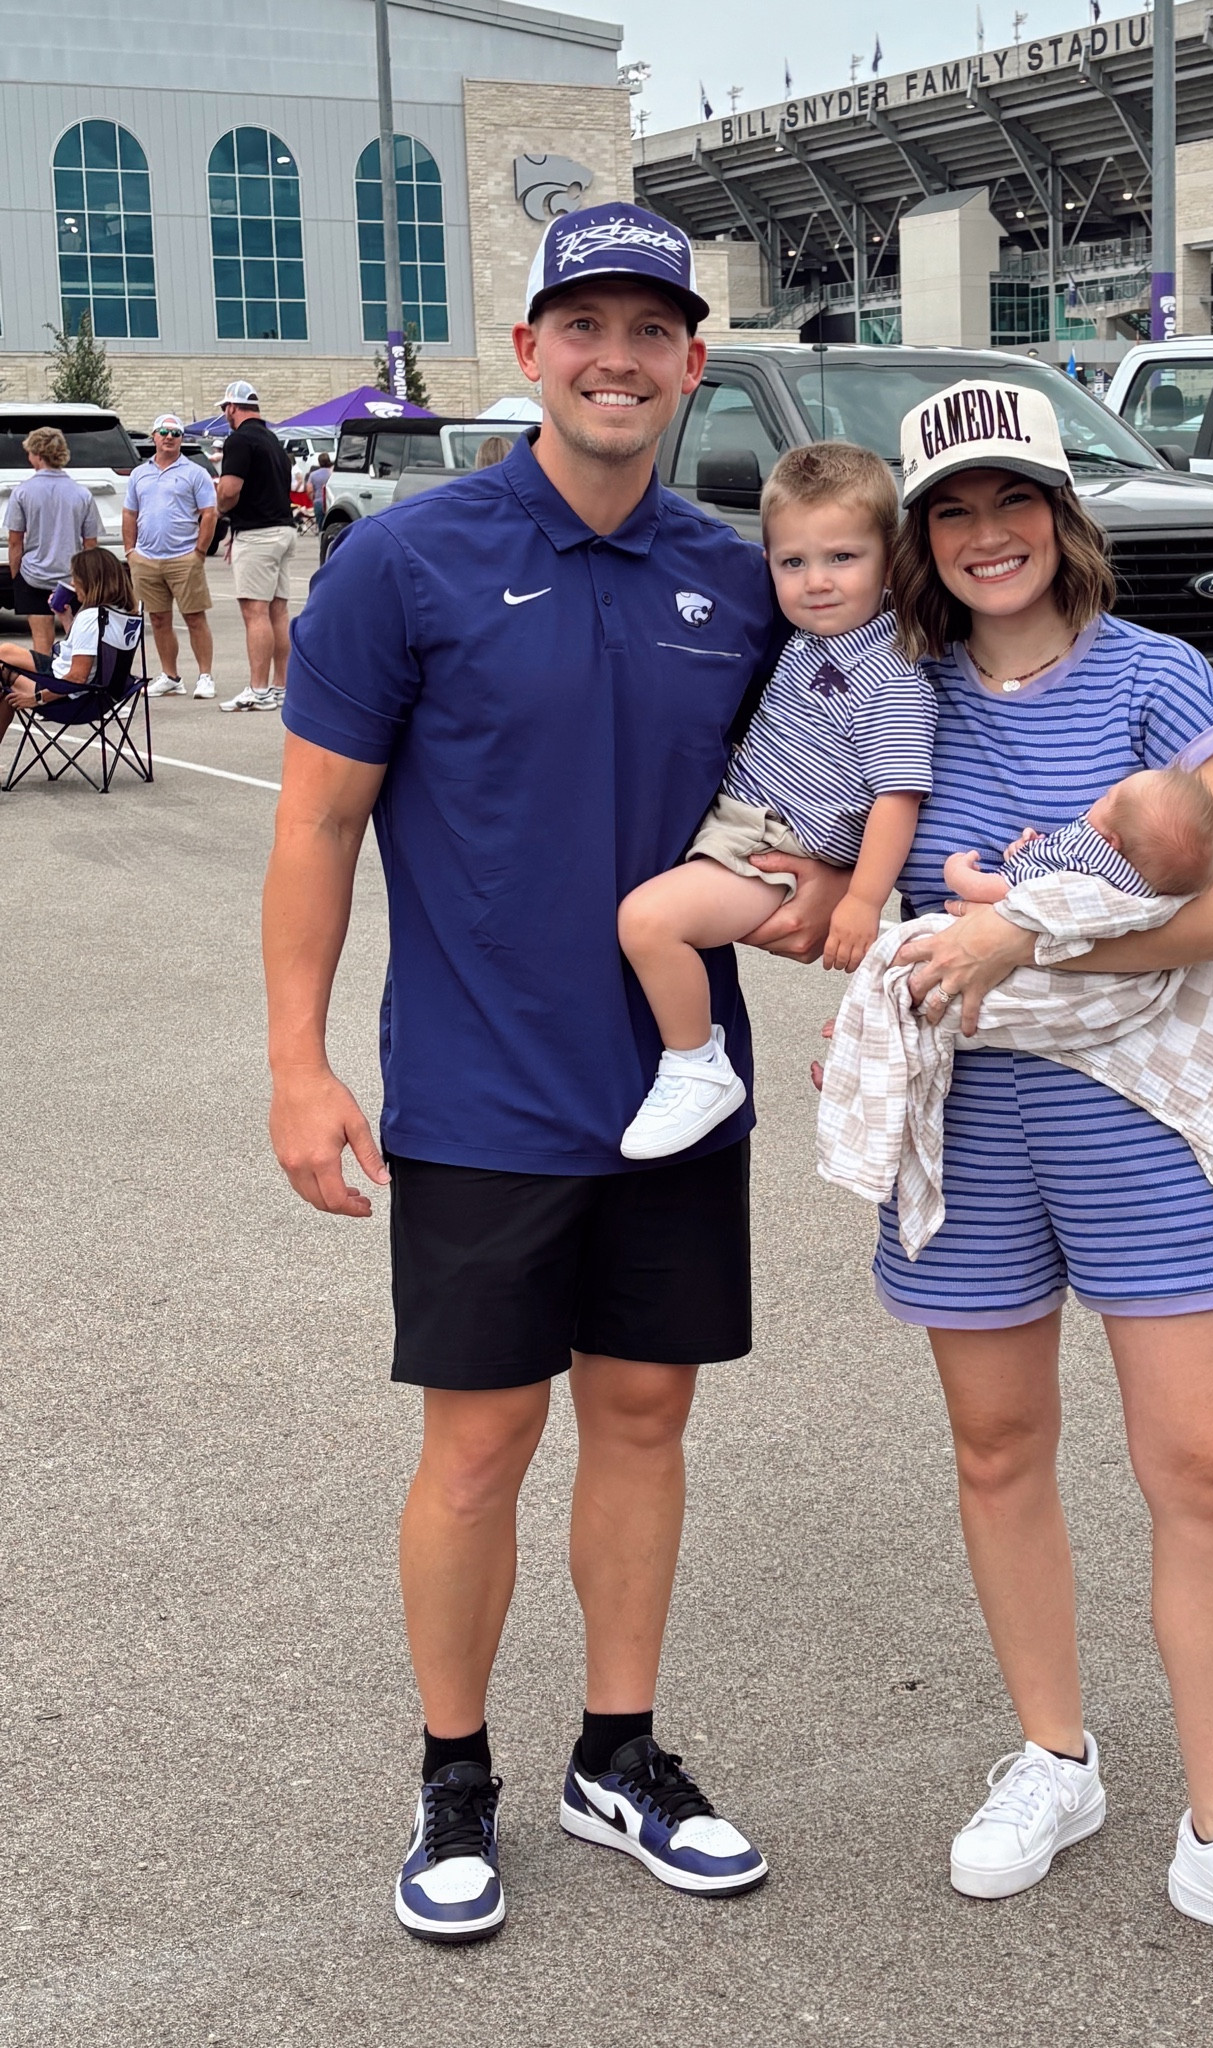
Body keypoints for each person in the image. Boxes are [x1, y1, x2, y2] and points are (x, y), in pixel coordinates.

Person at [263, 200, 850, 1946]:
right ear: (527, 351)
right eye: (581, 326)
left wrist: (827, 893)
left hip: (675, 1088)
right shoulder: (409, 561)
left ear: (691, 362)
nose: (616, 357)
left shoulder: (736, 577)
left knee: (647, 1416)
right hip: (476, 1092)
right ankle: (457, 1774)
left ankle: (619, 1747)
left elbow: (814, 798)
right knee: (480, 1442)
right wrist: (296, 1060)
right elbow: (313, 826)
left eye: (650, 330)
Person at [872, 378, 1213, 1982]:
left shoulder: (1156, 676)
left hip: (1142, 1117)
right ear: (919, 537)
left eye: (1010, 500)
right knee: (998, 1444)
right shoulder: (897, 693)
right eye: (951, 510)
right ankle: (1054, 1758)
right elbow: (820, 864)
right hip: (970, 1116)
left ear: (1063, 514)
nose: (986, 534)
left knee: (1203, 1467)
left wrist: (1019, 930)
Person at [616, 440, 934, 1160]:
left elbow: (898, 797)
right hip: (746, 830)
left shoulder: (892, 677)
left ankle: (696, 1066)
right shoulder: (808, 641)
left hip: (776, 852)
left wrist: (860, 901)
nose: (816, 581)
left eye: (841, 558)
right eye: (793, 562)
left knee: (646, 923)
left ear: (891, 555)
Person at [943, 762, 1213, 906]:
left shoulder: (1081, 878)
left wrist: (958, 873)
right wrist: (1029, 850)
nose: (1098, 800)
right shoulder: (1133, 884)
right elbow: (1051, 860)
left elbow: (1007, 892)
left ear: (1111, 842)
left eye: (1107, 798)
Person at [0, 546, 142, 743]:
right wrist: (66, 619)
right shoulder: (123, 613)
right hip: (103, 694)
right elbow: (93, 652)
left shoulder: (90, 618)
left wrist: (37, 699)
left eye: (76, 578)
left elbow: (76, 678)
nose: (73, 584)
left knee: (3, 674)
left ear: (91, 581)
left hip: (72, 698)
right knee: (5, 651)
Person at [213, 380, 294, 712]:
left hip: (258, 534)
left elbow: (230, 490)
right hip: (282, 529)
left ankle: (258, 689)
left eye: (224, 410)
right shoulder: (273, 440)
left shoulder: (239, 440)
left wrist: (219, 507)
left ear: (232, 407)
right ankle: (280, 686)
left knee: (255, 612)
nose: (224, 415)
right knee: (278, 611)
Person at [126, 415, 219, 701]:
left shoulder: (195, 473)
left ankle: (205, 676)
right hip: (147, 559)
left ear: (182, 438)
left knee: (194, 617)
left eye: (175, 433)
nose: (169, 437)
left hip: (184, 558)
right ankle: (170, 676)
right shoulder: (139, 474)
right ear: (154, 436)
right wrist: (131, 552)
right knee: (159, 619)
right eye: (164, 432)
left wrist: (199, 552)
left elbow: (209, 513)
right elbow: (130, 513)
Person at [5, 427, 99, 658]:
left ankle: (43, 687)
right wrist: (87, 580)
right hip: (72, 577)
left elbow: (15, 541)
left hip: (33, 575)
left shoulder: (23, 492)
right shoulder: (81, 494)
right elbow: (90, 543)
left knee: (41, 641)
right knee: (79, 639)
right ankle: (74, 684)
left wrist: (16, 576)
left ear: (37, 454)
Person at [308, 451, 332, 525]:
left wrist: (313, 500)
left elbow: (309, 491)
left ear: (319, 462)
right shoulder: (332, 474)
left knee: (320, 525)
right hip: (331, 502)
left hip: (318, 501)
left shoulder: (313, 475)